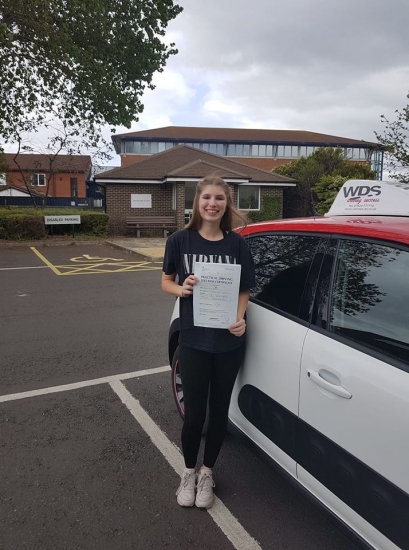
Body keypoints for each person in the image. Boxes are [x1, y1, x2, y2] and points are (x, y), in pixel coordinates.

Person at [161, 175, 255, 509]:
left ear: (226, 204)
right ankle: (188, 471)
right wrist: (182, 289)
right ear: (196, 202)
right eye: (206, 198)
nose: (212, 204)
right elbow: (165, 281)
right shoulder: (179, 241)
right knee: (195, 414)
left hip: (227, 344)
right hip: (194, 341)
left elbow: (244, 289)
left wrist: (240, 317)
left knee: (218, 413)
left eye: (219, 198)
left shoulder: (237, 244)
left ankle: (208, 472)